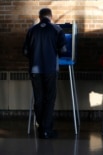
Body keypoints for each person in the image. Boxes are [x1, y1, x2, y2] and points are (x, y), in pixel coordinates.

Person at [23, 8, 67, 139]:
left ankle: (42, 126)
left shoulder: (31, 30)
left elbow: (25, 51)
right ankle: (46, 130)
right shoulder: (57, 30)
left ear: (39, 17)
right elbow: (63, 50)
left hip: (35, 70)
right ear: (51, 16)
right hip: (50, 70)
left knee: (39, 98)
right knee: (49, 99)